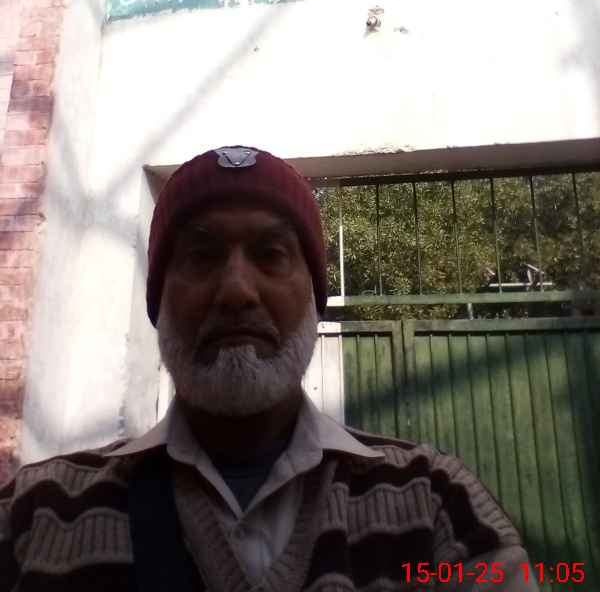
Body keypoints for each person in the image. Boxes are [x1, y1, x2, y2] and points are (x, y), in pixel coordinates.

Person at [0, 145, 540, 591]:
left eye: (272, 254)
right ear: (158, 302)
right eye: (201, 257)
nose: (237, 290)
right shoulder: (34, 517)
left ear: (314, 298)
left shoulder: (436, 504)